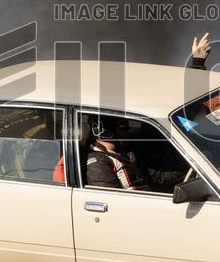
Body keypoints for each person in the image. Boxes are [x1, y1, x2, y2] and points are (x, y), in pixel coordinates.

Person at [84, 33, 211, 190]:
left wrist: (197, 63)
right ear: (106, 131)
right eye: (123, 126)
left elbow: (180, 108)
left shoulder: (136, 143)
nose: (129, 129)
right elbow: (113, 201)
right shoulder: (98, 164)